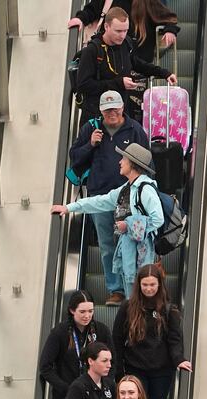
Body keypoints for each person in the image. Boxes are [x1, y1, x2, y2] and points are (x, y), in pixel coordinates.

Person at [69, 91, 151, 305]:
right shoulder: (91, 128)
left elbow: (148, 163)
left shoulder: (135, 130)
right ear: (101, 111)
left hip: (130, 196)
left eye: (115, 108)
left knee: (132, 243)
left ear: (122, 108)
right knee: (106, 245)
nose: (111, 113)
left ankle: (133, 291)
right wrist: (91, 144)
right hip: (100, 195)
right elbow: (75, 157)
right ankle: (116, 291)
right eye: (107, 110)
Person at [53, 143, 165, 297]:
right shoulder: (128, 188)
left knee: (141, 294)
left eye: (124, 158)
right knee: (132, 294)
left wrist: (129, 225)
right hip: (130, 250)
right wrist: (69, 208)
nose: (120, 162)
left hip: (142, 253)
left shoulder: (145, 189)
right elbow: (101, 201)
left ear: (133, 164)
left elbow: (158, 219)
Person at [112, 263, 192, 399]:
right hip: (134, 367)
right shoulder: (127, 307)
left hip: (162, 370)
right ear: (138, 285)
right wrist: (118, 370)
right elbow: (117, 339)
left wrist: (179, 359)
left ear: (159, 285)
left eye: (153, 284)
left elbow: (174, 339)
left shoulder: (169, 310)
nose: (149, 288)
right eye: (145, 284)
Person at [75, 7, 177, 124]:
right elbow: (83, 85)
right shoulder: (92, 50)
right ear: (106, 27)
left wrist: (164, 73)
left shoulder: (126, 43)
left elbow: (137, 64)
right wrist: (119, 83)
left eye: (125, 31)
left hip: (121, 114)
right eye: (118, 31)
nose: (122, 35)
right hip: (96, 116)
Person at [39, 291, 114, 399]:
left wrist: (104, 385)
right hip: (66, 397)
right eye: (82, 312)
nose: (87, 316)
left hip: (96, 396)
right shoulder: (60, 332)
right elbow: (45, 367)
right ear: (72, 310)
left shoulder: (101, 330)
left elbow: (113, 361)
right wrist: (67, 388)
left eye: (91, 311)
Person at [68, 0, 180, 63]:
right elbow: (92, 9)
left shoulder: (148, 2)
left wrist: (170, 30)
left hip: (136, 61)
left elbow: (167, 18)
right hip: (107, 58)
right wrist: (80, 19)